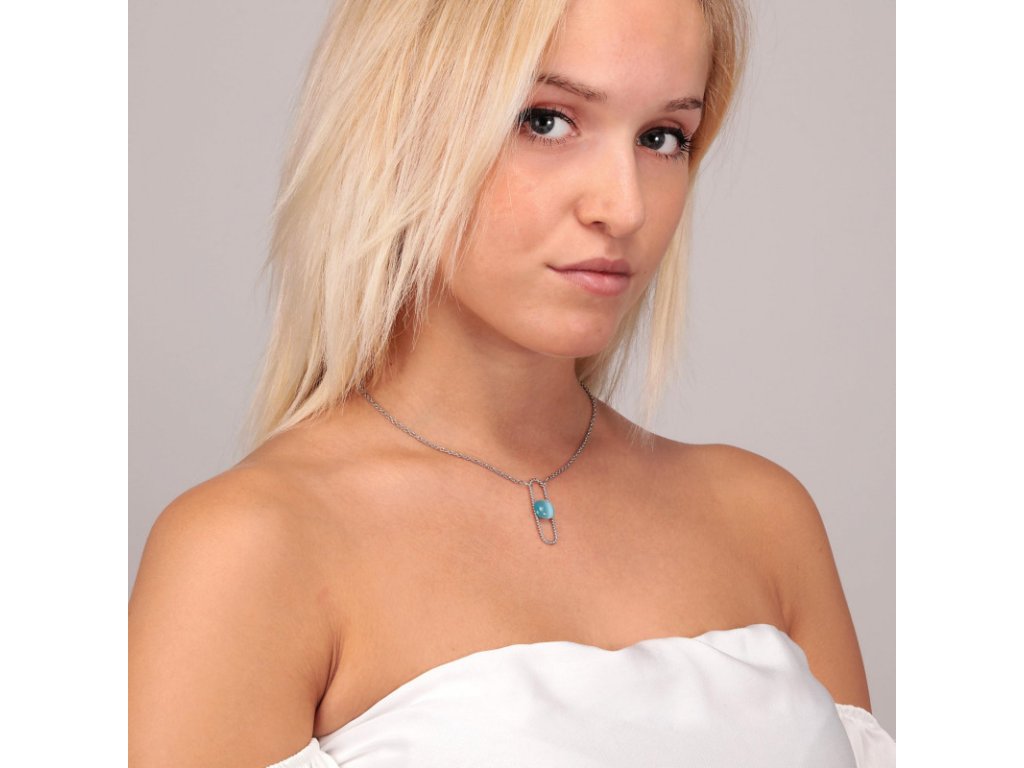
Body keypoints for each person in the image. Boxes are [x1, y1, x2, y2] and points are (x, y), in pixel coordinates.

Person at [128, 0, 896, 765]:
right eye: (546, 121)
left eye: (663, 137)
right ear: (394, 125)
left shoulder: (764, 522)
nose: (624, 207)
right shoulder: (250, 553)